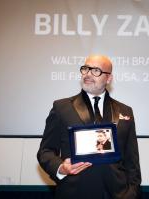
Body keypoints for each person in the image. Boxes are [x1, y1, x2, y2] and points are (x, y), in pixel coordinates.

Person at [37, 55, 141, 199]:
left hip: (118, 194)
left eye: (96, 70)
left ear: (109, 78)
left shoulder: (125, 111)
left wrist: (132, 193)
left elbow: (132, 161)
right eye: (85, 69)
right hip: (74, 193)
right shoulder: (61, 108)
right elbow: (45, 151)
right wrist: (61, 167)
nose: (87, 74)